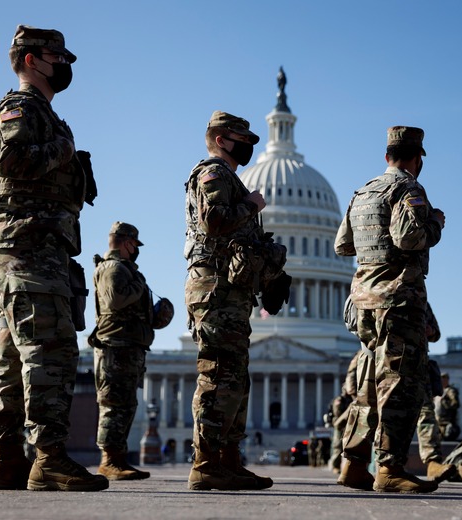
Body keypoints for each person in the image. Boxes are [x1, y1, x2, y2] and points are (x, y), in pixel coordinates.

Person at [0, 25, 107, 492]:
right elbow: (13, 163)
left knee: (14, 353)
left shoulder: (41, 113)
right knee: (50, 348)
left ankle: (7, 459)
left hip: (33, 243)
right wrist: (66, 150)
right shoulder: (22, 109)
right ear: (33, 60)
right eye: (60, 58)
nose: (66, 67)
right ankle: (50, 457)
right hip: (30, 242)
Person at [335, 126, 444, 493]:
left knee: (368, 386)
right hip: (397, 298)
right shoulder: (409, 188)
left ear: (386, 157)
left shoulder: (363, 192)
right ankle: (389, 468)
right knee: (400, 383)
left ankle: (352, 463)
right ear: (417, 159)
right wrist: (434, 223)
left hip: (363, 300)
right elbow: (410, 238)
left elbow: (342, 245)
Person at [183, 111, 275, 491]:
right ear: (221, 139)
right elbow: (216, 222)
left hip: (231, 291)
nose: (249, 146)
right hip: (215, 288)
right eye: (242, 138)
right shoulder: (214, 173)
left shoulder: (229, 177)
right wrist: (252, 204)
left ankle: (227, 459)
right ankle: (205, 463)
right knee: (219, 374)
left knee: (236, 377)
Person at [91, 222, 170, 480]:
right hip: (116, 347)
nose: (136, 250)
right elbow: (115, 300)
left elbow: (130, 309)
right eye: (135, 245)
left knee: (125, 405)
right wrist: (140, 286)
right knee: (114, 405)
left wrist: (157, 316)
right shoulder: (114, 268)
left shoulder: (125, 270)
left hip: (128, 347)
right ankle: (109, 460)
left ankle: (117, 459)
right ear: (127, 243)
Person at [415, 305, 457, 482]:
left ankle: (433, 462)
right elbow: (362, 328)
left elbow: (436, 332)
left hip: (417, 364)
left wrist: (428, 330)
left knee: (426, 414)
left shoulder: (417, 294)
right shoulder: (374, 287)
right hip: (387, 365)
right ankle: (360, 462)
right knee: (386, 415)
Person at [436, 373, 461, 441]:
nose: (442, 381)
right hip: (437, 423)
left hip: (446, 423)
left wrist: (446, 404)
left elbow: (455, 404)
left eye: (443, 379)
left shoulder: (450, 391)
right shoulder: (438, 391)